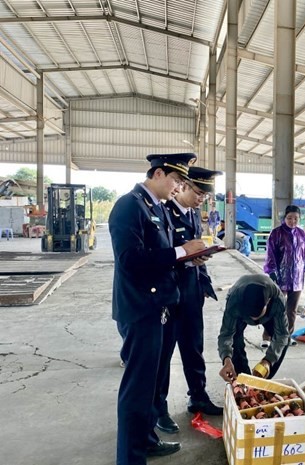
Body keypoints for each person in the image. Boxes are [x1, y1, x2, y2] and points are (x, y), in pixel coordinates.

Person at [109, 153, 206, 464]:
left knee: (150, 386)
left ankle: (147, 440)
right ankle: (130, 457)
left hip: (158, 306)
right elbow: (131, 260)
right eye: (177, 181)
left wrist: (187, 257)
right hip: (140, 309)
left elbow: (161, 255)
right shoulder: (130, 205)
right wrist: (180, 249)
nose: (179, 187)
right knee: (137, 389)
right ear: (159, 173)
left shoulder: (155, 207)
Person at [155, 167, 224, 435]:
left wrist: (202, 273)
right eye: (198, 193)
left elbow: (195, 250)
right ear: (182, 186)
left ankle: (198, 395)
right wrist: (185, 259)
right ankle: (159, 408)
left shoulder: (194, 214)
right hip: (170, 295)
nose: (201, 200)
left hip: (192, 293)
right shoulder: (164, 213)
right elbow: (161, 256)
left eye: (205, 196)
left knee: (193, 348)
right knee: (164, 354)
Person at [218, 274, 290, 381]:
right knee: (235, 342)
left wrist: (269, 360)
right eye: (251, 316)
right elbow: (226, 334)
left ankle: (263, 378)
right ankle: (243, 379)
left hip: (271, 314)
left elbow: (282, 335)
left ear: (268, 302)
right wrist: (226, 359)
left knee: (284, 341)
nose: (254, 320)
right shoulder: (234, 301)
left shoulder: (278, 300)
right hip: (239, 313)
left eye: (257, 315)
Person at [264, 205, 305, 347]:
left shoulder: (301, 234)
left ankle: (287, 335)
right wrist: (272, 271)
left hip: (297, 279)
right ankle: (267, 336)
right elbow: (270, 254)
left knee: (291, 309)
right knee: (274, 307)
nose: (293, 221)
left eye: (296, 218)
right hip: (280, 278)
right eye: (290, 218)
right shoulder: (276, 233)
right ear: (284, 218)